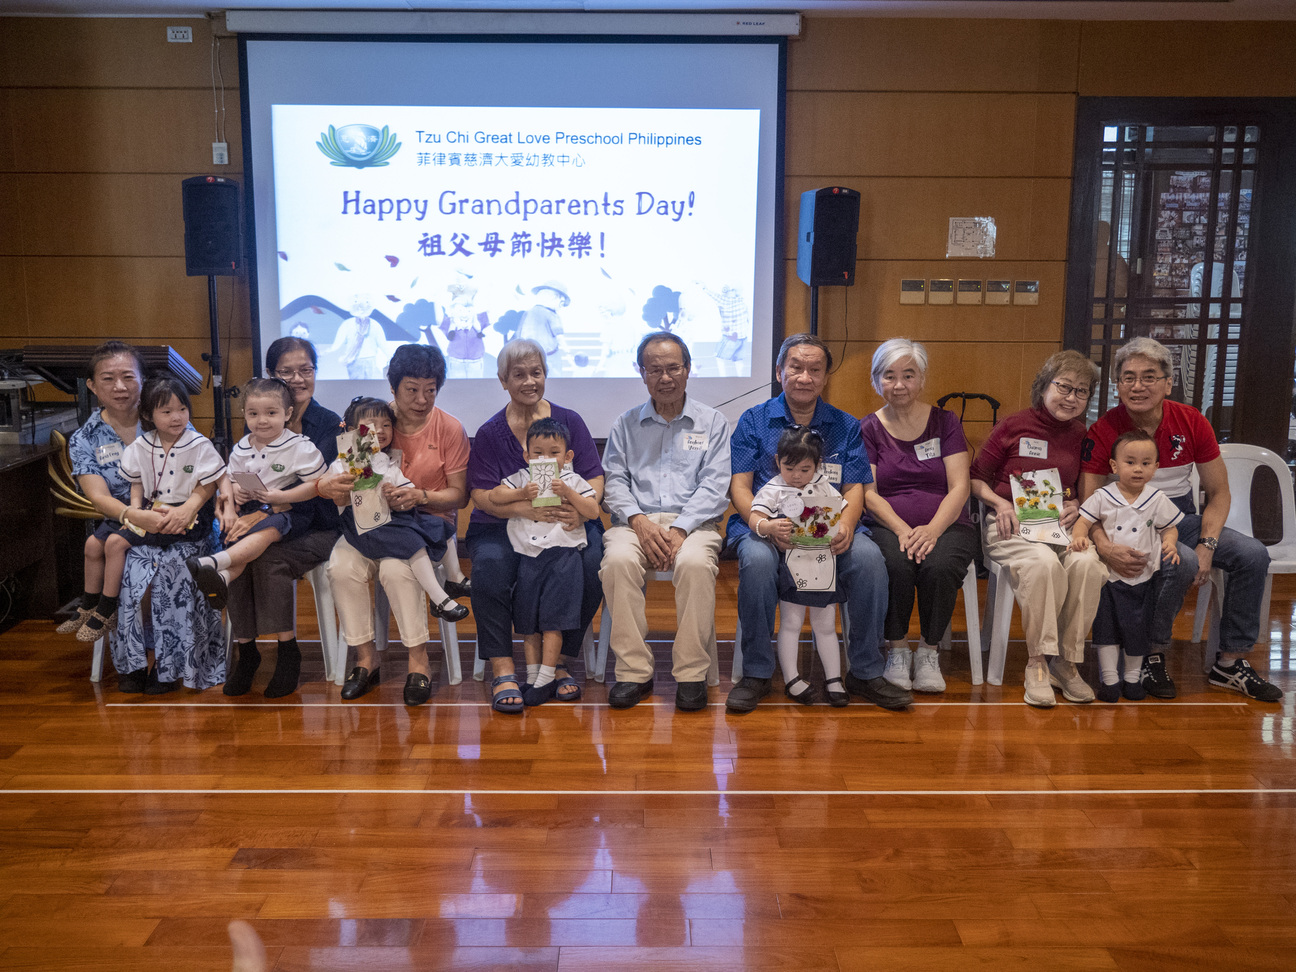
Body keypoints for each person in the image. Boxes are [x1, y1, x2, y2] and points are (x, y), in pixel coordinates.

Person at [1080, 336, 1282, 702]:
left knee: (1252, 554)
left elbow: (1219, 493)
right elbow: (1088, 501)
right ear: (1117, 384)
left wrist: (1208, 544)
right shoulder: (1103, 429)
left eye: (1148, 376)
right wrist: (1104, 546)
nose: (1137, 386)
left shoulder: (1191, 421)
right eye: (1127, 377)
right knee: (1182, 560)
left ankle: (1230, 663)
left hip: (1179, 519)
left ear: (1168, 382)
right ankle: (1149, 653)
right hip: (1124, 528)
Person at [725, 333, 909, 712]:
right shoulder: (753, 421)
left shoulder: (845, 425)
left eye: (815, 369)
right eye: (796, 367)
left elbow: (855, 487)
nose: (805, 377)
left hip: (832, 526)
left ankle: (865, 670)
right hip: (767, 526)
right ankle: (757, 672)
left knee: (871, 560)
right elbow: (740, 487)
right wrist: (764, 526)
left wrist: (845, 526)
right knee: (758, 563)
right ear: (779, 372)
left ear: (825, 377)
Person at [323, 344, 470, 707]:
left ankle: (418, 662)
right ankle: (365, 660)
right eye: (411, 390)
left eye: (430, 390)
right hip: (364, 524)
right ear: (393, 388)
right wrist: (331, 488)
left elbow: (459, 496)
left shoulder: (449, 428)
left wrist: (420, 496)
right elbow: (334, 478)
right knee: (340, 567)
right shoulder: (368, 422)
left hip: (421, 522)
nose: (421, 399)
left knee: (395, 568)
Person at [466, 339, 605, 711]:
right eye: (519, 374)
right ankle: (503, 665)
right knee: (490, 567)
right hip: (501, 525)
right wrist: (522, 511)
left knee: (594, 563)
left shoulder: (568, 421)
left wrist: (578, 509)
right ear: (502, 380)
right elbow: (480, 494)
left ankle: (556, 661)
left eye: (536, 372)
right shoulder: (491, 432)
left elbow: (594, 478)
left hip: (564, 521)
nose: (529, 381)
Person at [600, 332, 731, 711]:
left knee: (693, 564)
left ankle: (691, 674)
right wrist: (640, 522)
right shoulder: (625, 424)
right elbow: (615, 482)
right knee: (618, 562)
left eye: (673, 367)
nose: (665, 377)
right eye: (655, 369)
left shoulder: (713, 422)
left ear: (688, 370)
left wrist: (679, 529)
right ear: (642, 374)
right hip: (634, 522)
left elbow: (715, 484)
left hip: (695, 524)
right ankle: (633, 672)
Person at [970, 350, 1105, 707]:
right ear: (1044, 386)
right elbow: (975, 479)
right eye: (1064, 387)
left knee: (1088, 564)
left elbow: (1085, 490)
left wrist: (1076, 506)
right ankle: (1038, 663)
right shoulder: (1014, 425)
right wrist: (1000, 504)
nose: (1071, 397)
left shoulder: (1083, 435)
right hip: (1009, 524)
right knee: (1043, 564)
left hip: (1059, 526)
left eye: (1081, 391)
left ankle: (1068, 663)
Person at [221, 337, 351, 698]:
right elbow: (241, 476)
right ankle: (246, 652)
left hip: (320, 525)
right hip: (268, 520)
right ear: (271, 375)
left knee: (265, 558)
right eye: (286, 371)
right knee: (240, 552)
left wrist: (265, 510)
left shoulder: (329, 425)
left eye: (305, 370)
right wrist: (236, 502)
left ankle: (287, 652)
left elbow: (319, 490)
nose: (297, 378)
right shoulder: (260, 420)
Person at [860, 339, 977, 696]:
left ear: (922, 379)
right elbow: (868, 492)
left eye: (908, 375)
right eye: (889, 376)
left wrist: (931, 530)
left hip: (948, 523)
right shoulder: (868, 427)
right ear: (876, 380)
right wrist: (902, 529)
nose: (899, 385)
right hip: (888, 524)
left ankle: (928, 652)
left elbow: (960, 486)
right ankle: (896, 650)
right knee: (893, 563)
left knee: (939, 566)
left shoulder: (945, 422)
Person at [107, 376, 227, 692]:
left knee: (170, 578)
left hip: (192, 525)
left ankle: (169, 668)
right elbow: (136, 485)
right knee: (130, 576)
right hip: (152, 521)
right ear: (148, 415)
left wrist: (188, 508)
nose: (176, 417)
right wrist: (136, 515)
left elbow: (210, 483)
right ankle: (131, 664)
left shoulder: (199, 444)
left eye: (182, 409)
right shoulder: (141, 446)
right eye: (166, 411)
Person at [186, 379, 327, 629]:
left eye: (271, 413)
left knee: (266, 531)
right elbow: (230, 479)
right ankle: (222, 576)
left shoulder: (299, 446)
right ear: (244, 415)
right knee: (234, 536)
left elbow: (318, 485)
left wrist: (282, 497)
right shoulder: (241, 447)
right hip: (253, 509)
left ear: (288, 414)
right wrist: (237, 491)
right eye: (253, 414)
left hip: (289, 513)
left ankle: (213, 562)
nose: (262, 420)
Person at [489, 417, 600, 707]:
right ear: (527, 456)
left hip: (563, 558)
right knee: (528, 622)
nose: (545, 459)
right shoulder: (523, 477)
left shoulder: (573, 480)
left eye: (554, 453)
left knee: (553, 622)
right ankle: (533, 675)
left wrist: (569, 494)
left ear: (567, 457)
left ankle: (547, 677)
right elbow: (495, 495)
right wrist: (521, 494)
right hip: (529, 557)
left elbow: (593, 509)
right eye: (538, 453)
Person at [331, 397, 469, 619]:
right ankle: (440, 599)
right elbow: (338, 494)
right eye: (372, 425)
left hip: (393, 518)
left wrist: (400, 494)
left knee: (437, 524)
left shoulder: (385, 460)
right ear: (351, 430)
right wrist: (352, 484)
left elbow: (405, 485)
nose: (381, 431)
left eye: (387, 425)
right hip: (366, 526)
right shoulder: (342, 463)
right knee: (413, 541)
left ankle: (455, 578)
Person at [1071, 429, 1183, 702]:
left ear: (1156, 467)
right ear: (1114, 466)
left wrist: (1169, 542)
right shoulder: (1103, 495)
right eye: (1130, 462)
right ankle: (1109, 680)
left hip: (1141, 577)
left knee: (1137, 630)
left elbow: (1169, 527)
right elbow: (1084, 520)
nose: (1138, 469)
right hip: (1109, 578)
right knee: (1106, 629)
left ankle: (1132, 679)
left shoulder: (1156, 498)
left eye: (1146, 463)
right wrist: (1078, 536)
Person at [748, 425, 850, 707]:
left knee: (826, 624)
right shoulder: (774, 488)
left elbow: (841, 510)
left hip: (823, 566)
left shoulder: (822, 484)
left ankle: (833, 678)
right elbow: (754, 516)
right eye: (789, 467)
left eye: (804, 469)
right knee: (791, 623)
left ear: (817, 465)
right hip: (793, 568)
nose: (796, 476)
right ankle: (792, 679)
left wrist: (841, 530)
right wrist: (769, 526)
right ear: (777, 460)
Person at [62, 342, 145, 638]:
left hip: (168, 513)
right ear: (92, 386)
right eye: (108, 379)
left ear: (142, 380)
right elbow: (98, 497)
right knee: (93, 545)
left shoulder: (164, 418)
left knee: (112, 547)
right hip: (121, 517)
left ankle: (105, 609)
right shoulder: (85, 438)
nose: (120, 387)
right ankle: (92, 607)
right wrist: (132, 515)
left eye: (128, 376)